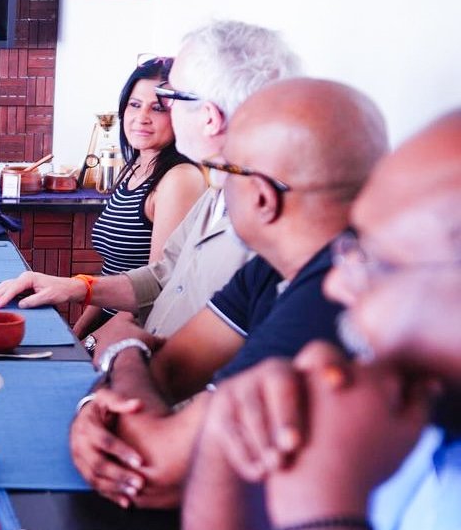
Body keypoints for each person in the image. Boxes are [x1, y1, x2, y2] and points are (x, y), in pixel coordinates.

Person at [66, 78, 388, 509]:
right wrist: (96, 403)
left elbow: (148, 461)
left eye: (226, 171)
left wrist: (121, 349)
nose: (215, 186)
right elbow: (171, 369)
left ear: (262, 197)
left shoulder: (328, 301)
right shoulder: (269, 270)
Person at [183, 111, 461, 530]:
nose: (333, 287)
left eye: (371, 261)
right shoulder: (407, 426)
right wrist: (222, 448)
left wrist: (325, 507)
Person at [0, 20, 299, 352]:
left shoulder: (263, 225)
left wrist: (113, 355)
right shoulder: (218, 191)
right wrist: (78, 288)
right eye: (136, 104)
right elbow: (162, 275)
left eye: (168, 98)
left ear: (209, 117)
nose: (151, 113)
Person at [76, 56, 204, 332]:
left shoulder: (179, 179)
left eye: (158, 108)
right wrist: (76, 333)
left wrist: (91, 342)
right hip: (108, 324)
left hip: (137, 335)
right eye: (135, 105)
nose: (141, 118)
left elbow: (157, 289)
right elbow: (112, 272)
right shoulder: (136, 166)